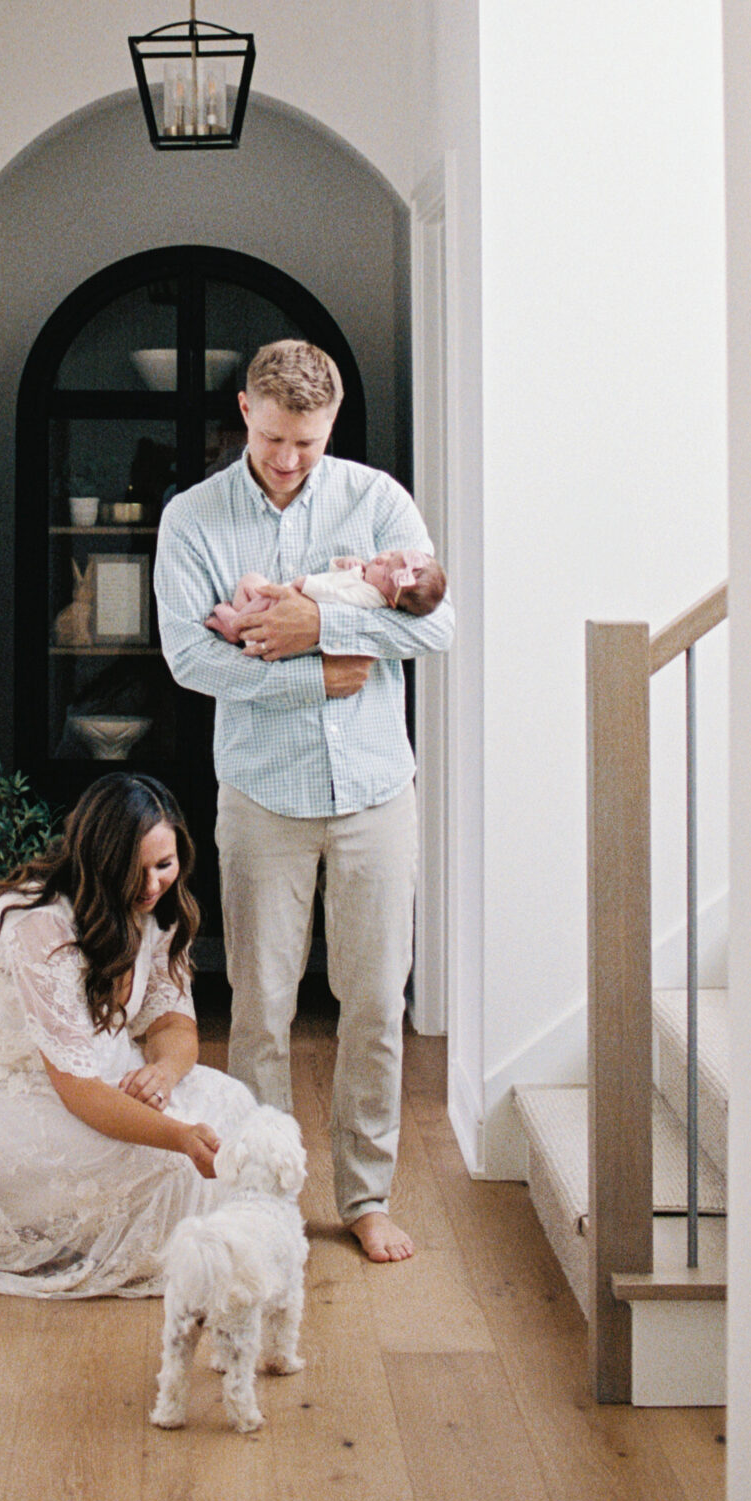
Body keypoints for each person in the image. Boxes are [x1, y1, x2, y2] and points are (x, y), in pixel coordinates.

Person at [154, 340, 454, 1264]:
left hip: (375, 792)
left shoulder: (378, 502)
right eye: (278, 437)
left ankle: (365, 1198)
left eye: (310, 444)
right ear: (246, 409)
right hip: (261, 795)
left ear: (332, 427)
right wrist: (315, 674)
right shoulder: (193, 519)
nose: (291, 460)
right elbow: (189, 657)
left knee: (371, 1001)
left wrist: (320, 622)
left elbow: (437, 625)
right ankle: (262, 1197)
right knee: (261, 1006)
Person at [0, 771, 256, 1295]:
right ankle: (61, 1224)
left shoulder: (157, 908)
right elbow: (79, 1091)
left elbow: (173, 1022)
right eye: (137, 871)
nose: (154, 885)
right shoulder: (43, 930)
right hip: (9, 1103)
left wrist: (163, 1071)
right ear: (100, 863)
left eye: (165, 864)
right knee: (174, 1163)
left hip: (86, 1069)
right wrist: (177, 1137)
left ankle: (104, 1221)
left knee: (233, 1102)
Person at [206, 548, 448, 643]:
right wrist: (344, 563)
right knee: (251, 583)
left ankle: (236, 627)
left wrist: (308, 584)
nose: (380, 559)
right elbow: (333, 575)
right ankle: (241, 621)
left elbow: (336, 597)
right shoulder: (367, 578)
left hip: (291, 604)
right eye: (390, 555)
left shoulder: (371, 597)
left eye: (384, 571)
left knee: (264, 596)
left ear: (391, 601)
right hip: (290, 596)